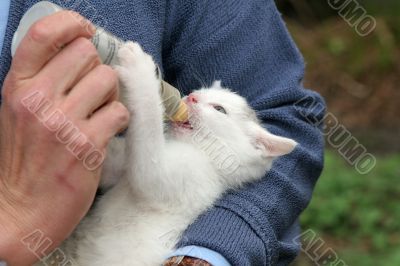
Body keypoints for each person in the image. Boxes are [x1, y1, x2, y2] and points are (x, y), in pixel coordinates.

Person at [0, 0, 325, 265]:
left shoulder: (203, 175)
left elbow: (147, 177)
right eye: (202, 93)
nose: (193, 98)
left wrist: (143, 93)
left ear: (257, 145)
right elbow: (122, 165)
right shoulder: (188, 161)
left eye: (218, 109)